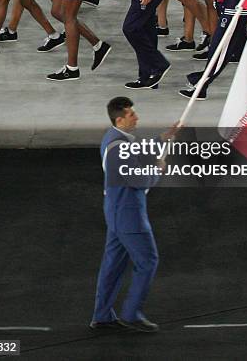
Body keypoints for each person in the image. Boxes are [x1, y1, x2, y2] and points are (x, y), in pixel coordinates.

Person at [91, 96, 175, 332]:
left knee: (113, 265)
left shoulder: (113, 137)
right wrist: (157, 170)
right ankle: (131, 314)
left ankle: (102, 315)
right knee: (148, 261)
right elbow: (139, 179)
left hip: (116, 212)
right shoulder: (120, 148)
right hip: (129, 215)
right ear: (120, 120)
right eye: (131, 115)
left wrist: (162, 139)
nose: (136, 117)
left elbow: (136, 152)